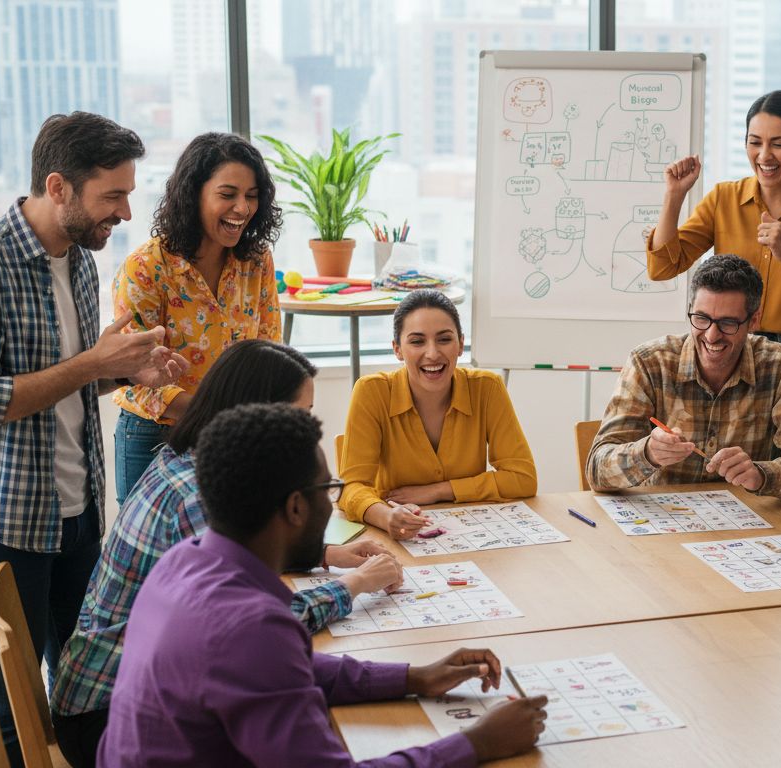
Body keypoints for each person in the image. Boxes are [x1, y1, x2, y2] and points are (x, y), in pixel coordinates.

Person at [97, 403, 548, 766]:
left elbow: (289, 667)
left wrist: (413, 677)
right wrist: (477, 744)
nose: (332, 503)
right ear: (296, 507)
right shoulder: (250, 628)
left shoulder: (184, 561)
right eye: (328, 489)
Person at [51, 340, 402, 768]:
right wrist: (357, 584)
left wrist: (327, 554)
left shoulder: (187, 459)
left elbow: (233, 570)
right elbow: (261, 621)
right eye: (300, 414)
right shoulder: (198, 497)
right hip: (104, 718)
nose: (308, 429)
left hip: (107, 694)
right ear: (259, 415)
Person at [0, 112, 188, 765]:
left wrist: (120, 371)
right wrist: (95, 364)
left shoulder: (81, 261)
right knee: (13, 700)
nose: (125, 211)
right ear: (59, 186)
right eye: (113, 195)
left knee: (85, 684)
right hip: (8, 518)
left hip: (81, 509)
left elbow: (61, 382)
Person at [647, 90, 781, 436]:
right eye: (754, 142)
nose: (764, 155)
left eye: (778, 144)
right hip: (734, 350)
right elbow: (664, 266)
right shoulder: (723, 199)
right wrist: (674, 197)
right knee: (733, 462)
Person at [111, 131, 284, 504]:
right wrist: (220, 412)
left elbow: (270, 351)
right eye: (228, 195)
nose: (242, 208)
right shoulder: (146, 267)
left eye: (251, 196)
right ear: (194, 194)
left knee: (228, 550)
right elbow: (133, 376)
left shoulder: (256, 261)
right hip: (156, 435)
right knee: (156, 557)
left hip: (232, 433)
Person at [588, 254, 781, 495]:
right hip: (664, 521)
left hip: (745, 521)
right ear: (690, 311)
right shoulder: (649, 363)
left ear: (754, 320)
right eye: (701, 319)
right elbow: (597, 470)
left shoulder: (779, 365)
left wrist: (761, 474)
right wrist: (648, 453)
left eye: (727, 323)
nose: (712, 336)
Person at [340, 290, 536, 539]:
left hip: (471, 535)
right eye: (417, 341)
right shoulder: (372, 392)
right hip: (398, 537)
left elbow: (523, 479)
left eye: (444, 339)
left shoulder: (487, 388)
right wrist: (385, 516)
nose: (432, 353)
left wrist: (438, 490)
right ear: (397, 349)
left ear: (460, 344)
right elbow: (350, 488)